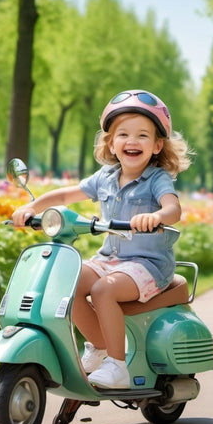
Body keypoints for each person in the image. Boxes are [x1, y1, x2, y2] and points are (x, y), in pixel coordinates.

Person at [12, 90, 192, 389]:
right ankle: (99, 347)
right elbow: (66, 194)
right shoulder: (106, 177)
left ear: (158, 145)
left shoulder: (157, 178)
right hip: (110, 260)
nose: (131, 141)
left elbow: (173, 208)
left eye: (142, 136)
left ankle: (118, 365)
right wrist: (33, 207)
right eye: (123, 134)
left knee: (102, 291)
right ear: (111, 142)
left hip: (148, 265)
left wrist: (157, 216)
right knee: (65, 280)